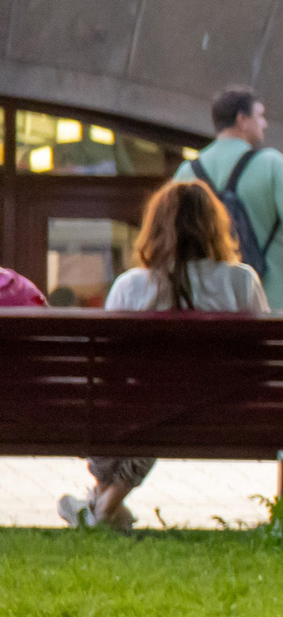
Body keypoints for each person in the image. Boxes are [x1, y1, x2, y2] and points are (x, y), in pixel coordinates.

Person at [58, 179, 269, 532]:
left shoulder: (131, 286)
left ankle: (100, 508)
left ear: (155, 228)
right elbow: (262, 360)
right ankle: (103, 507)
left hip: (149, 412)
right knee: (159, 405)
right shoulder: (241, 281)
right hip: (227, 413)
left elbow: (106, 369)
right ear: (215, 228)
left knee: (143, 405)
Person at [182, 89, 283, 314]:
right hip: (271, 307)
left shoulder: (187, 171)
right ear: (242, 120)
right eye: (260, 115)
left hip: (207, 309)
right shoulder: (272, 164)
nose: (264, 124)